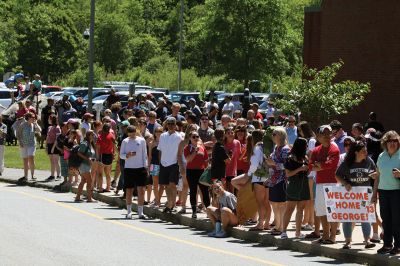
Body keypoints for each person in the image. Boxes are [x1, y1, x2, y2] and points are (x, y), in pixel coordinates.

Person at [335, 140, 376, 249]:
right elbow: (337, 175)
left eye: (366, 150)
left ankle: (367, 241)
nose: (366, 153)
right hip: (350, 195)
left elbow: (376, 173)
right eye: (363, 151)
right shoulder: (347, 162)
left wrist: (374, 176)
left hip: (364, 194)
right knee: (348, 217)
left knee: (365, 217)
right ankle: (348, 241)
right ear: (356, 152)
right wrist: (345, 183)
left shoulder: (369, 161)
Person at [309, 125, 340, 244]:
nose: (327, 136)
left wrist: (319, 165)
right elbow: (311, 165)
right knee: (321, 211)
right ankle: (325, 236)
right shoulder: (316, 150)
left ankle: (332, 237)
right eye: (324, 134)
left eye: (329, 134)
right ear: (318, 136)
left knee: (332, 211)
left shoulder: (334, 149)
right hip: (320, 183)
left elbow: (330, 164)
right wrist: (320, 165)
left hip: (332, 183)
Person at [374, 131, 400, 255]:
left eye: (395, 141)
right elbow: (378, 176)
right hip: (383, 192)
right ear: (385, 142)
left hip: (397, 192)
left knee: (397, 220)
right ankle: (387, 244)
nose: (393, 143)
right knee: (386, 220)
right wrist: (374, 194)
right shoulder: (381, 156)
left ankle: (398, 246)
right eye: (390, 141)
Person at [281, 138, 310, 239]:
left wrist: (307, 169)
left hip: (304, 183)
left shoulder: (305, 158)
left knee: (300, 210)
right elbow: (288, 174)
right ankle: (283, 231)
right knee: (289, 209)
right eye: (305, 145)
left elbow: (308, 171)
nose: (306, 147)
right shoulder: (290, 158)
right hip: (293, 184)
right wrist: (300, 169)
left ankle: (298, 232)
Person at [120, 125, 149, 219]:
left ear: (136, 131)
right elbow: (121, 155)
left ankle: (141, 212)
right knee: (129, 190)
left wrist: (146, 167)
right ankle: (129, 211)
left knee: (141, 191)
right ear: (127, 133)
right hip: (129, 168)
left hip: (140, 168)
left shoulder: (141, 140)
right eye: (130, 133)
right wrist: (127, 155)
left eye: (133, 132)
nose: (132, 134)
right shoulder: (125, 141)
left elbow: (145, 154)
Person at [266, 127, 290, 235]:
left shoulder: (285, 149)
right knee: (274, 203)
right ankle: (278, 225)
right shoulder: (276, 148)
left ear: (280, 135)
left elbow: (287, 165)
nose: (273, 135)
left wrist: (273, 164)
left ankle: (281, 227)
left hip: (282, 180)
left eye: (275, 133)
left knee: (281, 204)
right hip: (274, 179)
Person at [158, 117, 183, 213]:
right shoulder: (162, 135)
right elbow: (160, 149)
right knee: (166, 185)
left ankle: (173, 204)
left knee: (172, 185)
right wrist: (161, 161)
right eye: (169, 123)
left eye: (173, 123)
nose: (171, 125)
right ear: (166, 124)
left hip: (174, 163)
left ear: (175, 125)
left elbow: (180, 151)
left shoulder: (179, 136)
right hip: (163, 163)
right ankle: (169, 203)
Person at [247, 130, 271, 231]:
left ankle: (260, 224)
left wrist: (249, 174)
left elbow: (254, 165)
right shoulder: (267, 147)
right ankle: (266, 223)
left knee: (260, 202)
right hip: (268, 177)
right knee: (267, 202)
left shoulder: (256, 148)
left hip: (258, 178)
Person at [184, 131, 210, 218]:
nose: (196, 138)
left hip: (201, 171)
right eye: (193, 137)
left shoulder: (202, 147)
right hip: (191, 171)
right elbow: (188, 159)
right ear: (190, 138)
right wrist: (195, 151)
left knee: (205, 191)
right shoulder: (187, 148)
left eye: (197, 136)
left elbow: (206, 160)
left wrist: (207, 170)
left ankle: (209, 211)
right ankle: (194, 211)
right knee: (193, 191)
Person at [297, 121, 316, 231]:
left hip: (311, 172)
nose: (300, 132)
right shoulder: (308, 140)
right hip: (307, 172)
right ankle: (306, 220)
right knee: (307, 198)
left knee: (310, 199)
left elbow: (311, 154)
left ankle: (310, 222)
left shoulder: (312, 140)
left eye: (300, 130)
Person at [16, 112, 41, 181]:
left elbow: (39, 130)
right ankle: (25, 176)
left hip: (32, 144)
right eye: (32, 117)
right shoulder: (22, 125)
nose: (34, 118)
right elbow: (18, 134)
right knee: (25, 160)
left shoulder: (34, 125)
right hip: (23, 145)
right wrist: (20, 142)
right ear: (28, 118)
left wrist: (36, 123)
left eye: (34, 117)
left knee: (31, 157)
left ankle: (33, 175)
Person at [75, 130, 96, 203]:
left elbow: (91, 154)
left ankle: (77, 197)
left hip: (87, 165)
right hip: (83, 165)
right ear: (88, 135)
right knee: (89, 181)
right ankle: (89, 198)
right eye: (92, 135)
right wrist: (87, 158)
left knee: (83, 181)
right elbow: (79, 153)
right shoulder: (85, 143)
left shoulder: (90, 143)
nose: (94, 136)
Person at [96, 123, 116, 193]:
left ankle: (100, 188)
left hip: (102, 155)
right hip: (110, 155)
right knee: (108, 173)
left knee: (100, 173)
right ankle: (108, 188)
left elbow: (98, 148)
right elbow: (114, 146)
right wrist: (114, 154)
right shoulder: (112, 136)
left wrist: (98, 156)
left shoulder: (100, 137)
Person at [148, 126, 164, 207]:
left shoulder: (164, 142)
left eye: (160, 131)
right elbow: (149, 156)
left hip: (163, 164)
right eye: (157, 131)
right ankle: (157, 201)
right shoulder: (152, 143)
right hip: (154, 164)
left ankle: (158, 199)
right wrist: (148, 166)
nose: (158, 133)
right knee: (155, 184)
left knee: (162, 185)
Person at [224, 127, 241, 193]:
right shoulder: (222, 143)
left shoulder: (237, 142)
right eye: (228, 133)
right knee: (224, 192)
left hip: (232, 171)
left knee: (231, 192)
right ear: (225, 134)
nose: (230, 134)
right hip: (223, 171)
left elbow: (239, 157)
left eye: (232, 132)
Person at [45, 115, 61, 181]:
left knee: (56, 160)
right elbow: (47, 137)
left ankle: (58, 175)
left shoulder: (57, 128)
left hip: (55, 145)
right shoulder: (49, 127)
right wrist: (46, 146)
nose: (48, 120)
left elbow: (57, 139)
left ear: (52, 119)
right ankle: (52, 175)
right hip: (49, 145)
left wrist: (53, 147)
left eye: (49, 119)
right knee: (51, 161)